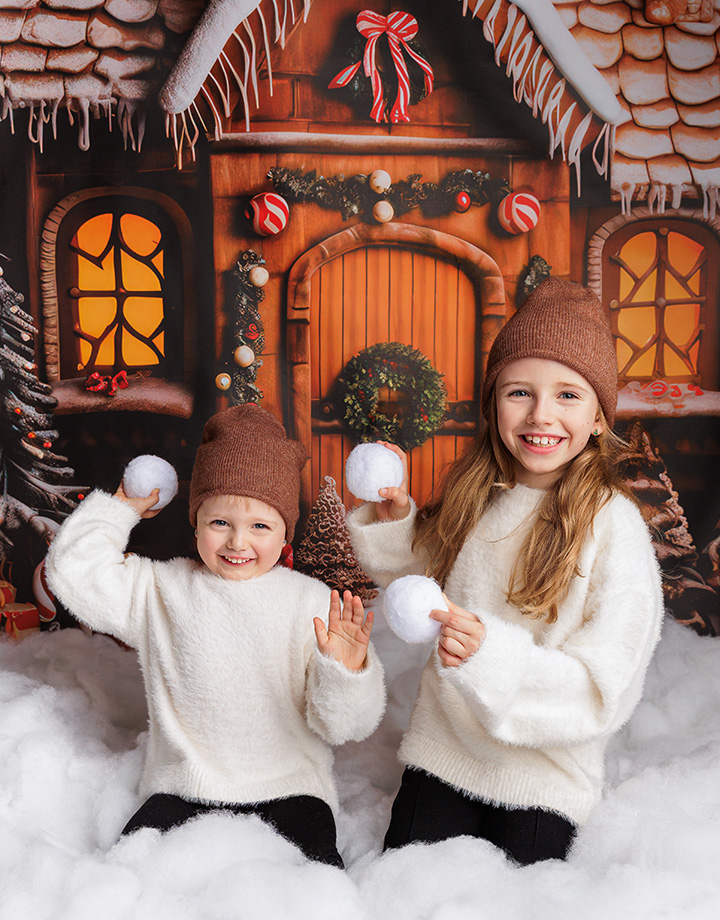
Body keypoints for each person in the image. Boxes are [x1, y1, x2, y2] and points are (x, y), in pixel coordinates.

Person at [347, 276, 664, 866]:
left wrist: (490, 657)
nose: (541, 414)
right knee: (410, 880)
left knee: (522, 894)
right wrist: (396, 526)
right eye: (520, 392)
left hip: (544, 766)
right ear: (494, 404)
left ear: (599, 417)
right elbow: (424, 589)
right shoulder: (477, 495)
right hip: (447, 747)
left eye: (567, 395)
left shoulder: (613, 526)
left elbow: (606, 686)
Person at [46, 404, 385, 869]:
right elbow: (72, 573)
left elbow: (345, 728)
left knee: (318, 876)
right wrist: (118, 510)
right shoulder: (161, 589)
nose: (237, 543)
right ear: (197, 523)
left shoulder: (312, 602)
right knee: (129, 869)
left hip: (290, 787)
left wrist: (345, 673)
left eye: (260, 526)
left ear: (285, 533)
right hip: (186, 785)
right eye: (220, 523)